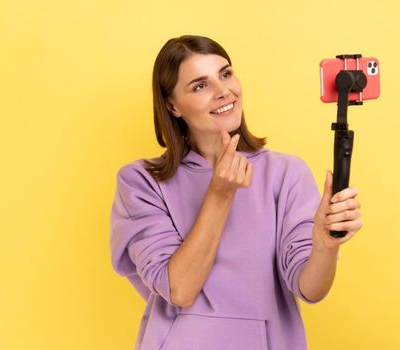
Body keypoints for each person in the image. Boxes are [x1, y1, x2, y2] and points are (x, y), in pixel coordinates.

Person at [110, 35, 362, 350]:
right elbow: (179, 290)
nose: (223, 92)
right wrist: (220, 194)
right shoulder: (140, 182)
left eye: (226, 74)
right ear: (173, 105)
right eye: (200, 86)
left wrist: (326, 246)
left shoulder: (286, 174)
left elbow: (310, 289)